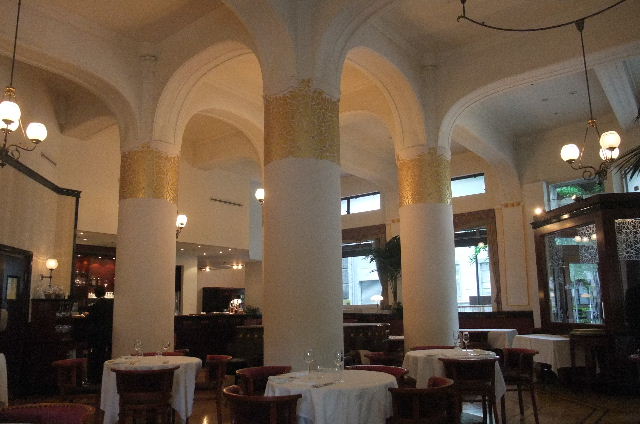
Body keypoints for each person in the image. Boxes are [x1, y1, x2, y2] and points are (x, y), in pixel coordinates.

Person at [84, 286, 113, 384]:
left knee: (97, 353)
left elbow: (91, 318)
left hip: (97, 333)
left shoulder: (96, 305)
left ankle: (95, 376)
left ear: (95, 293)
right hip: (107, 331)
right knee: (105, 353)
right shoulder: (110, 303)